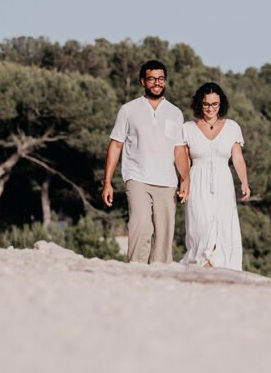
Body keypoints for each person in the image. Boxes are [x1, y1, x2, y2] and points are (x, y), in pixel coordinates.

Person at [102, 59, 190, 264]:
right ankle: (135, 273)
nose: (157, 83)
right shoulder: (128, 110)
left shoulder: (175, 113)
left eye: (161, 79)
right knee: (140, 226)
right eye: (152, 79)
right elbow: (115, 145)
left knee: (163, 237)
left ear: (165, 81)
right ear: (143, 81)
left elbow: (179, 151)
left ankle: (159, 278)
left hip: (167, 182)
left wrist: (185, 179)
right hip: (137, 178)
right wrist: (107, 182)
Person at [180, 82, 251, 270]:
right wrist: (183, 183)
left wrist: (244, 182)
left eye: (214, 104)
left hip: (223, 182)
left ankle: (221, 265)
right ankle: (201, 263)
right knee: (200, 224)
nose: (210, 108)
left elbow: (237, 158)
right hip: (197, 181)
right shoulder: (187, 128)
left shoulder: (232, 127)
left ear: (221, 104)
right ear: (199, 104)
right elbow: (184, 160)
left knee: (222, 225)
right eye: (206, 104)